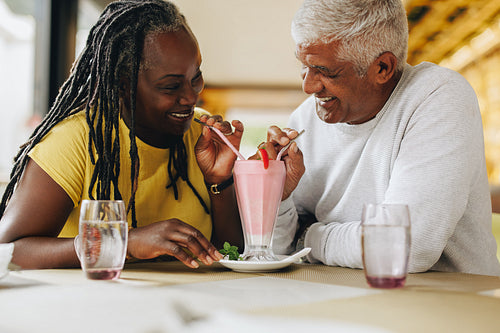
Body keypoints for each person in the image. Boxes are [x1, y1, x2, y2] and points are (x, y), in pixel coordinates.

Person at [0, 0, 243, 269]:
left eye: (195, 77)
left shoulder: (203, 134)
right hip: (88, 306)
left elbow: (232, 254)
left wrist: (220, 182)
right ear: (122, 86)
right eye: (171, 86)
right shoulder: (74, 140)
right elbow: (7, 250)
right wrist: (120, 243)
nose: (190, 96)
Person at [266, 0, 500, 276]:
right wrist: (278, 197)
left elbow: (405, 248)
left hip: (449, 303)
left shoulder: (438, 96)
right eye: (304, 66)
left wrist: (307, 238)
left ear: (383, 68)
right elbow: (280, 250)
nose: (308, 86)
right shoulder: (305, 119)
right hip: (343, 299)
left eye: (325, 71)